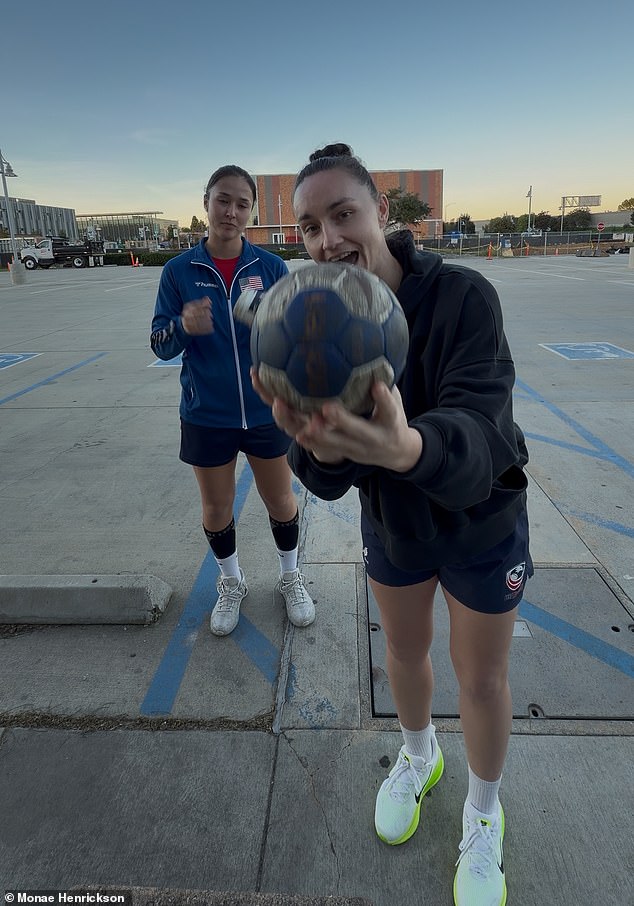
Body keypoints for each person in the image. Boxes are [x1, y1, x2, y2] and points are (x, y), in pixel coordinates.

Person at [252, 144, 532, 906]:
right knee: (405, 657)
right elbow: (325, 476)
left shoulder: (465, 298)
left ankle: (483, 812)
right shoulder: (310, 319)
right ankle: (417, 759)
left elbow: (480, 429)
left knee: (481, 678)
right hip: (398, 525)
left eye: (343, 214)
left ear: (383, 212)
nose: (328, 240)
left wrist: (407, 447)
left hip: (482, 520)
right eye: (309, 226)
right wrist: (321, 445)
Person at [150, 164, 315, 636]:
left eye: (243, 203)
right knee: (217, 508)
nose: (232, 211)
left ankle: (290, 576)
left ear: (252, 212)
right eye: (223, 199)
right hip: (208, 415)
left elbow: (295, 340)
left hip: (267, 410)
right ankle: (232, 581)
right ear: (206, 202)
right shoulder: (179, 271)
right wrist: (184, 326)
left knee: (280, 499)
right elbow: (160, 343)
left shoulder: (271, 268)